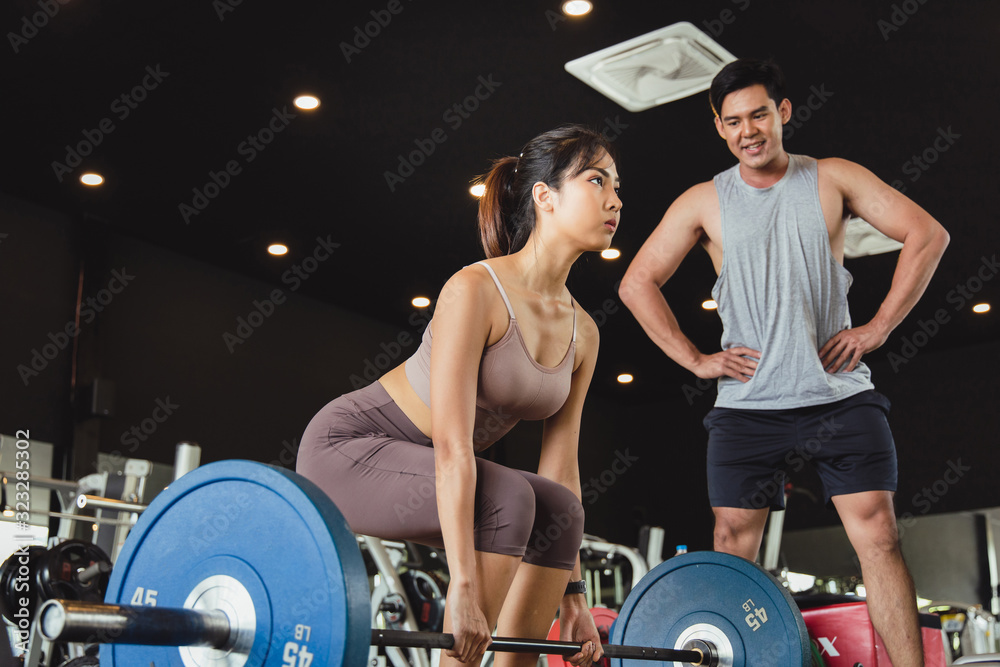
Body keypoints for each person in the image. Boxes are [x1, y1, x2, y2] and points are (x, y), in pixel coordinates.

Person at [619, 59, 948, 667]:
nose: (749, 131)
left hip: (839, 394)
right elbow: (637, 282)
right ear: (718, 126)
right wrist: (695, 360)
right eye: (734, 121)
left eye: (760, 115)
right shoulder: (703, 201)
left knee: (878, 536)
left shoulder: (832, 178)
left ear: (784, 112)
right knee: (730, 547)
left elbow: (927, 234)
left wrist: (877, 328)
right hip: (748, 408)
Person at [297, 124, 622, 667]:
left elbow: (562, 470)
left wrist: (576, 599)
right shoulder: (476, 290)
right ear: (544, 196)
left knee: (558, 508)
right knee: (509, 501)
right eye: (597, 180)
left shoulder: (583, 332)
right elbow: (452, 447)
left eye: (617, 185)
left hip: (435, 466)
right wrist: (463, 588)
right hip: (351, 449)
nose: (616, 199)